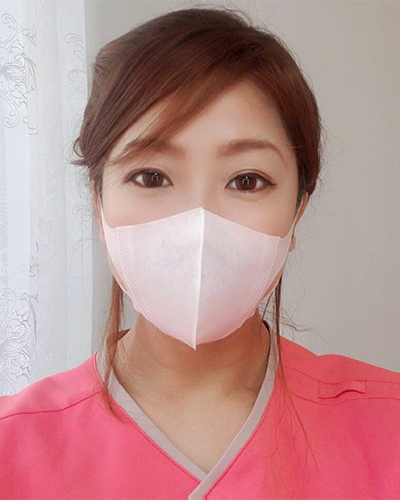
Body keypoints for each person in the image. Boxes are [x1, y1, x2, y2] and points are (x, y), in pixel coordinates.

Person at [1, 6, 399, 500]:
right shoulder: (12, 448)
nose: (199, 224)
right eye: (151, 177)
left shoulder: (388, 428)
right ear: (98, 202)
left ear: (297, 210)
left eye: (247, 180)